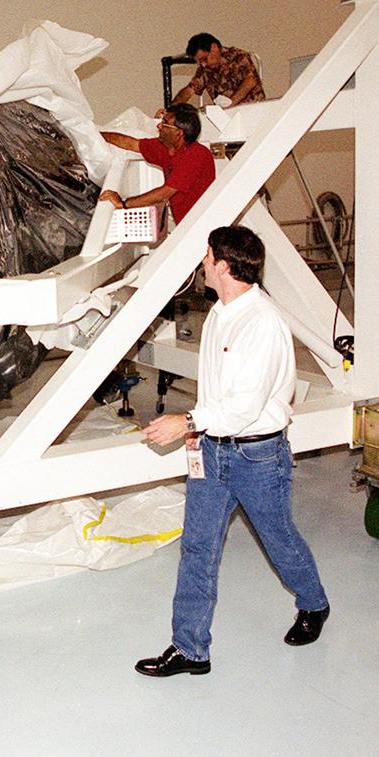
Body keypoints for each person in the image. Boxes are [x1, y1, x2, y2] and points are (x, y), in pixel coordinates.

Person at [133, 225, 329, 677]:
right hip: (212, 451)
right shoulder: (221, 312)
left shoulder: (262, 323)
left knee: (279, 541)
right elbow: (219, 393)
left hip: (256, 457)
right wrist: (197, 429)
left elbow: (243, 408)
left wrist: (186, 421)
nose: (202, 264)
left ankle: (315, 604)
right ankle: (190, 649)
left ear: (223, 265)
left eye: (206, 257)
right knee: (198, 549)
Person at [98, 103, 215, 225]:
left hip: (202, 224)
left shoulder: (197, 154)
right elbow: (130, 144)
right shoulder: (166, 148)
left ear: (179, 133)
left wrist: (123, 203)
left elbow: (165, 193)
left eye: (165, 124)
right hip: (185, 224)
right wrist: (97, 135)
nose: (159, 126)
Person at [170, 33, 265, 110]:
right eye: (199, 61)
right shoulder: (205, 68)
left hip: (252, 110)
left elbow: (250, 81)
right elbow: (189, 90)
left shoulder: (238, 57)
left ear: (214, 48)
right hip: (227, 115)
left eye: (204, 59)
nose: (203, 64)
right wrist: (170, 111)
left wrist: (230, 104)